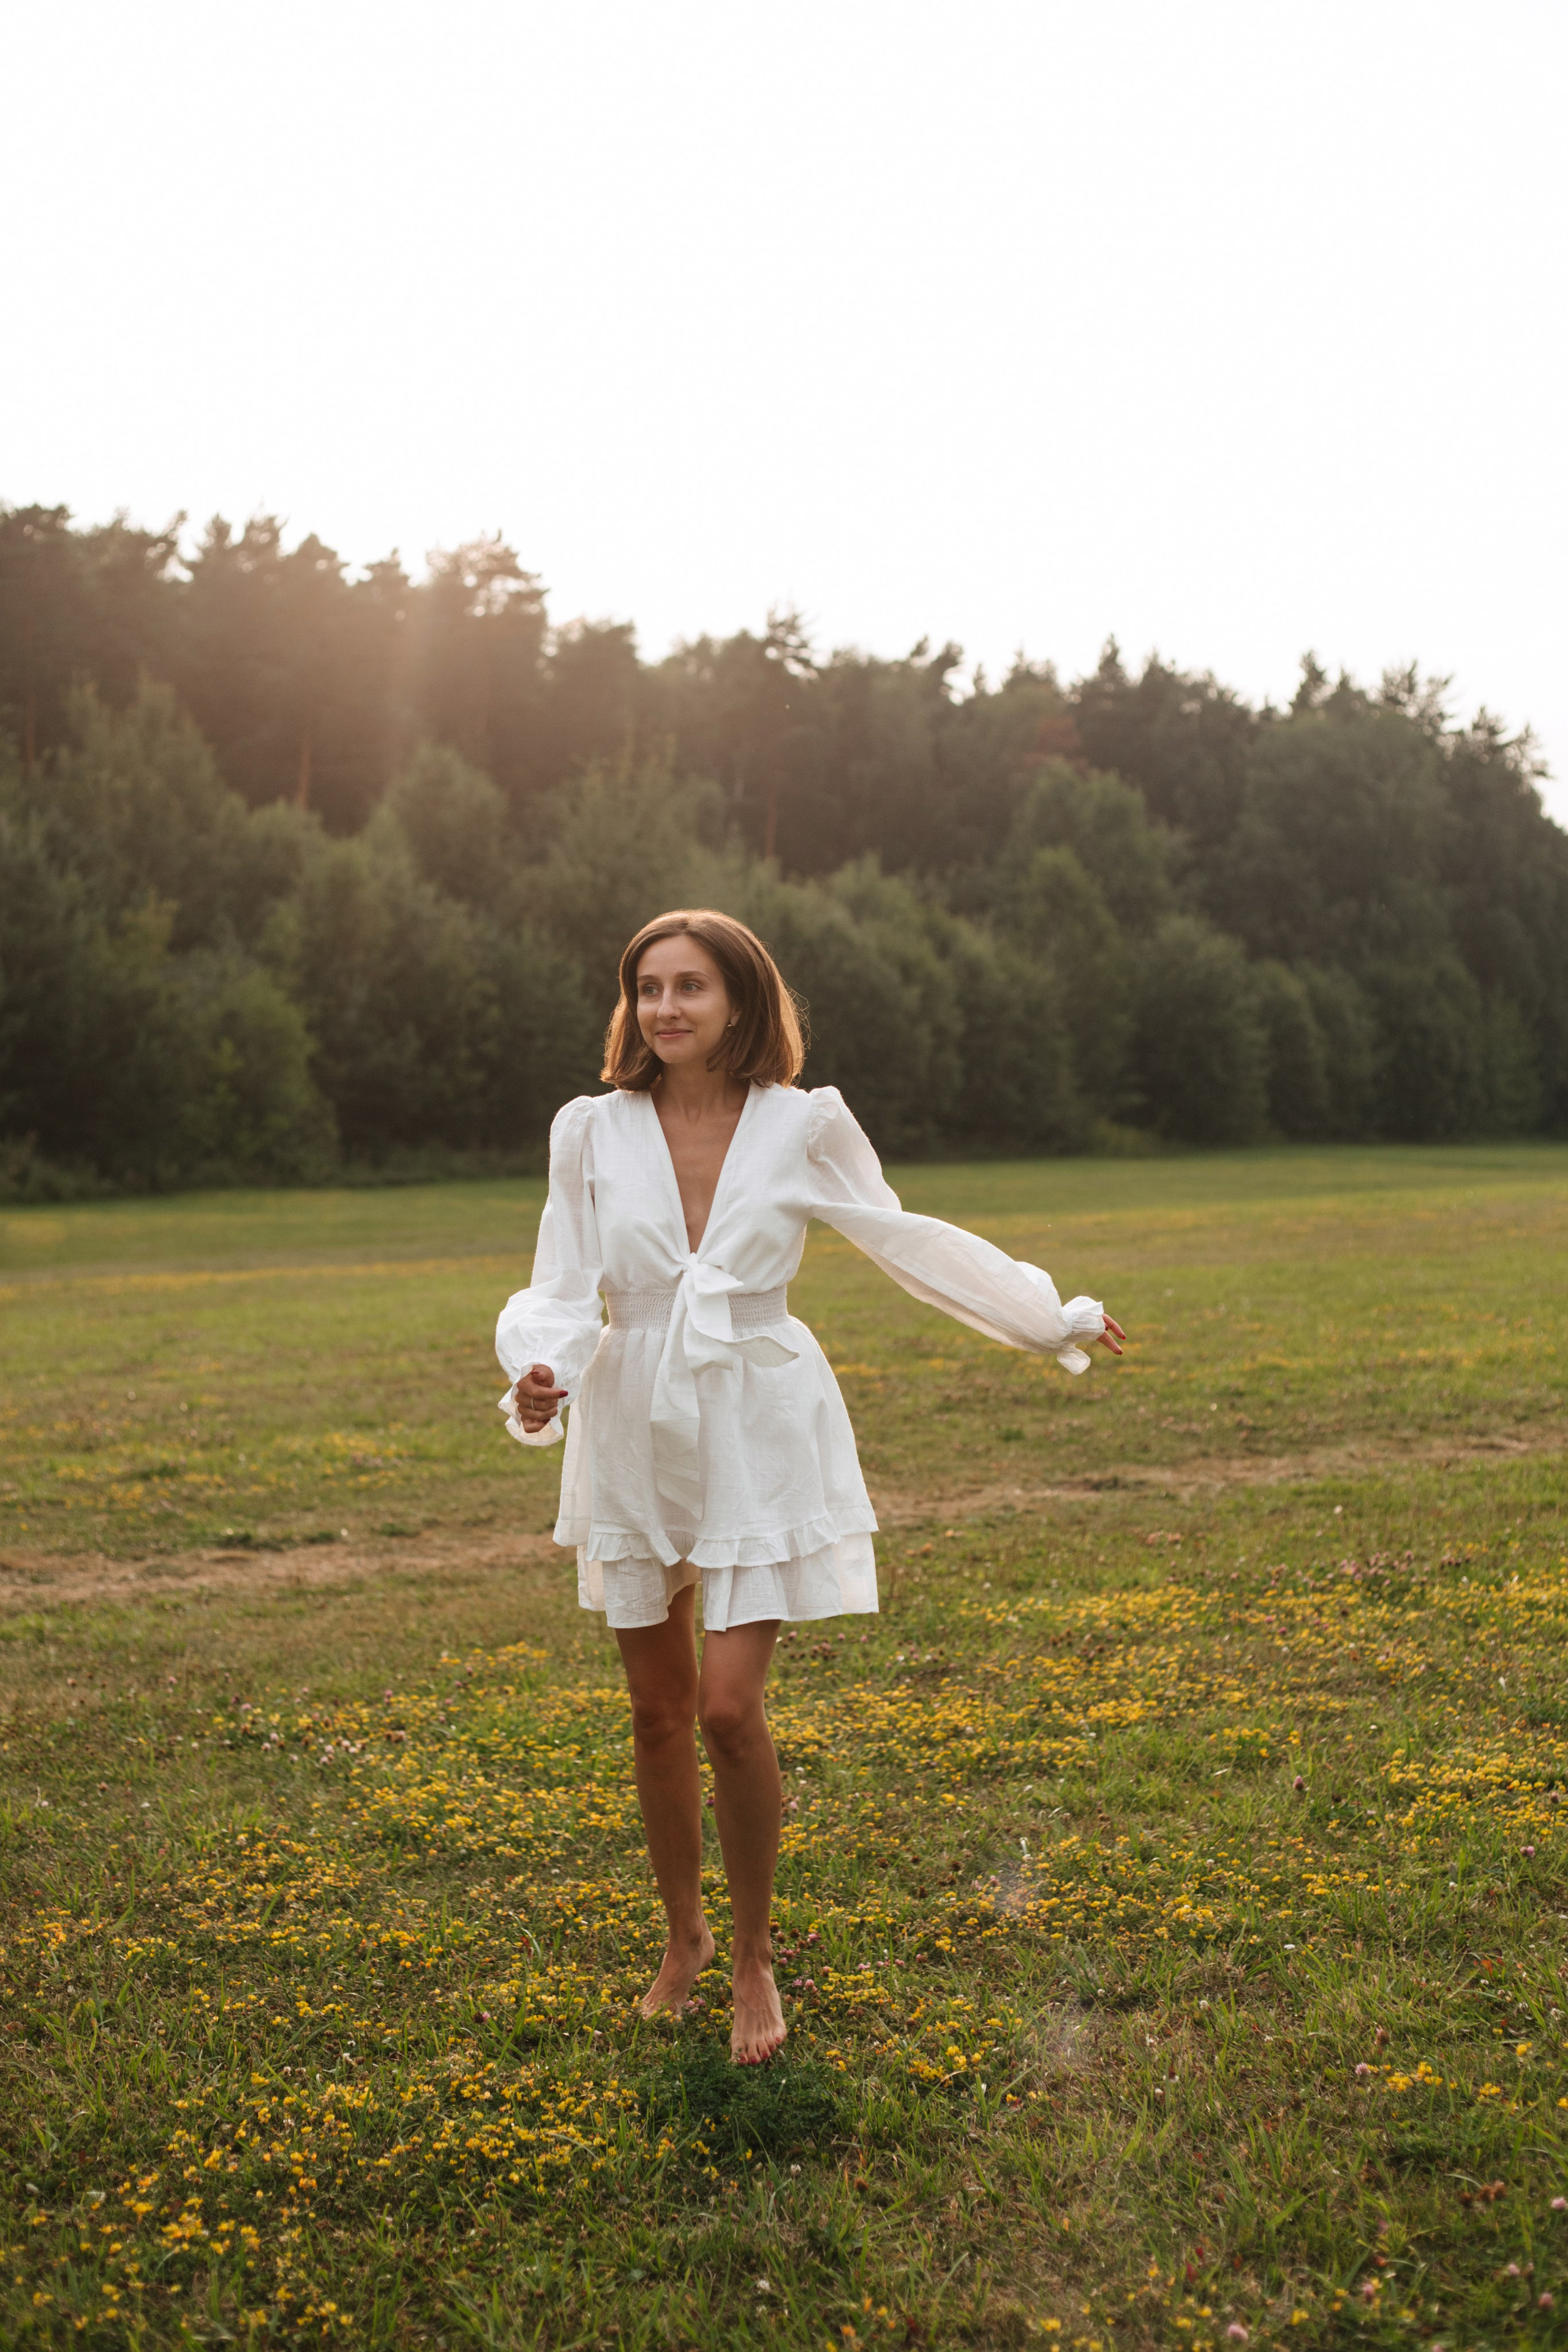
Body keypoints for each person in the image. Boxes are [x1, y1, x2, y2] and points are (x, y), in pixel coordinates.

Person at [495, 910, 1125, 2064]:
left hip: (759, 1413)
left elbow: (904, 1235)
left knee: (729, 1709)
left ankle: (752, 1960)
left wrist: (1049, 1317)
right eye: (648, 988)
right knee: (656, 1713)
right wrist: (540, 1376)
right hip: (633, 1411)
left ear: (742, 999)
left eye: (691, 986)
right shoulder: (589, 1130)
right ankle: (682, 1937)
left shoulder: (804, 1123)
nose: (666, 1009)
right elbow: (558, 1280)